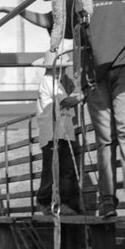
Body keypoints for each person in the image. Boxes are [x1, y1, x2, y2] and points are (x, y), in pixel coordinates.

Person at [0, 0, 125, 217]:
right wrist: (16, 11)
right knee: (105, 139)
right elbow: (50, 20)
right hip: (95, 75)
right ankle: (107, 201)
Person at [31, 49, 85, 215]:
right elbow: (65, 102)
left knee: (61, 169)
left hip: (60, 132)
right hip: (54, 133)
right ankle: (48, 201)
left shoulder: (55, 82)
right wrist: (83, 96)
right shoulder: (50, 82)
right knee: (55, 170)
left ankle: (57, 202)